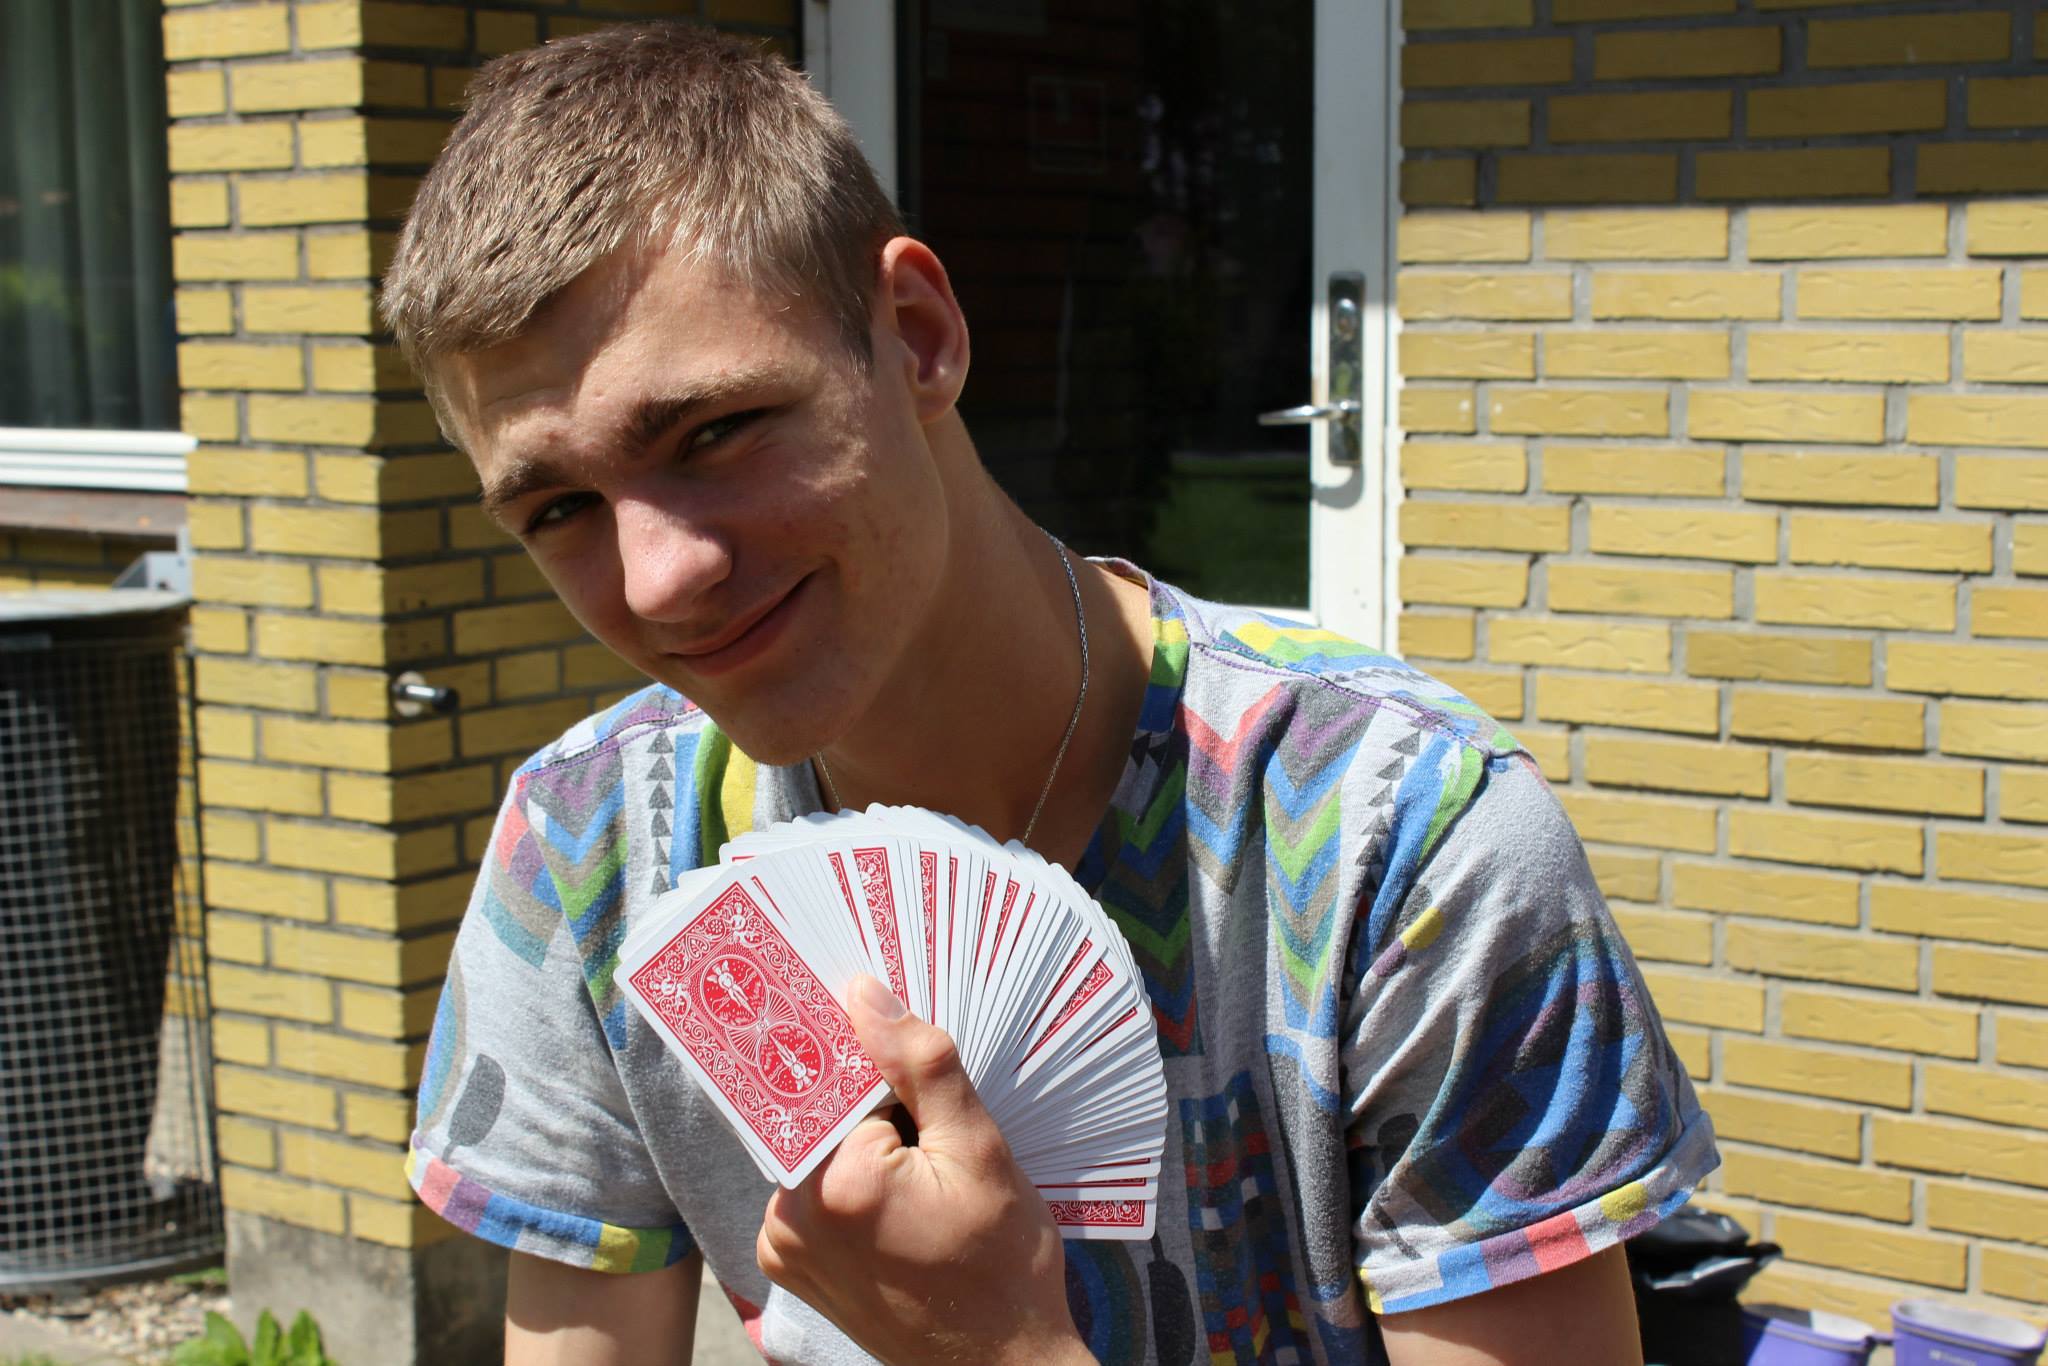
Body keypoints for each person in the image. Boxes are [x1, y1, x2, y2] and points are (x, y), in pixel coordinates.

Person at [387, 22, 1717, 1366]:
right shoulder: (593, 852)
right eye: (558, 508)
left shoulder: (1403, 840)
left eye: (716, 432)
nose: (661, 579)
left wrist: (999, 1349)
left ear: (918, 337)